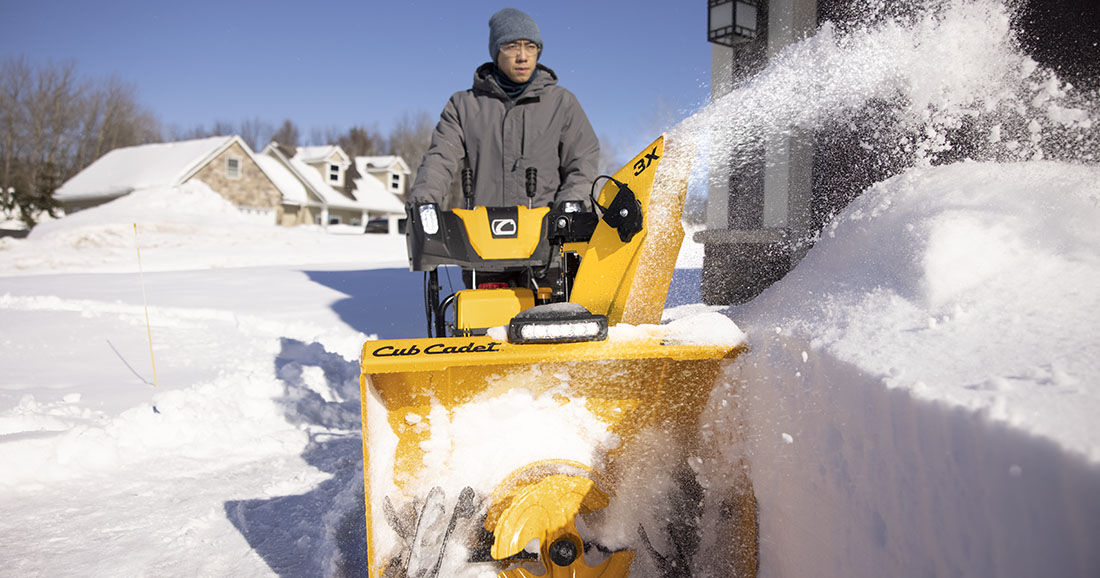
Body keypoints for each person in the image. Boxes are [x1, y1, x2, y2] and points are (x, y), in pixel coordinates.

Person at [407, 8, 600, 211]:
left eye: (531, 46)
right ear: (496, 52)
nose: (523, 56)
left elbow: (583, 163)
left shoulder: (562, 103)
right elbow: (439, 160)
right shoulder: (463, 106)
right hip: (480, 236)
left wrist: (570, 208)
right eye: (512, 46)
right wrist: (423, 204)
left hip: (547, 236)